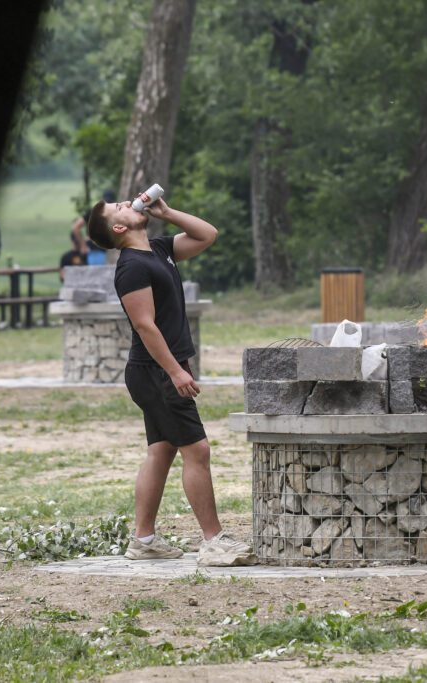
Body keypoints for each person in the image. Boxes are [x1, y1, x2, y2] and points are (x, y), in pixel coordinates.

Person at [86, 194, 256, 567]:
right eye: (119, 207)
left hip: (159, 369)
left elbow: (207, 234)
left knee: (161, 451)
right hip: (155, 371)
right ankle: (213, 542)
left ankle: (144, 540)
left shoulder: (158, 249)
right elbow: (144, 325)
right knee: (198, 451)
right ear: (119, 227)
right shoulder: (131, 267)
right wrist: (176, 372)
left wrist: (167, 213)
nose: (128, 202)